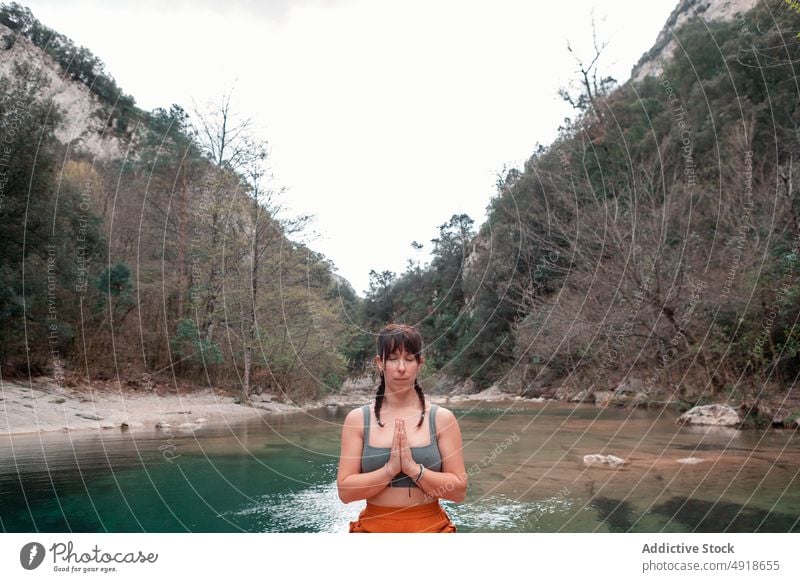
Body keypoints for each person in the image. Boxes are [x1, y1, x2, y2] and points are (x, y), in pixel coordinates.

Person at [337, 323, 467, 533]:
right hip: (374, 529)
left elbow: (459, 491)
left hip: (431, 529)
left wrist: (413, 469)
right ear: (380, 363)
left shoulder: (443, 419)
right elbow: (345, 492)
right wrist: (389, 470)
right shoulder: (358, 420)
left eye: (409, 358)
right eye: (393, 358)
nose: (401, 367)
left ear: (419, 363)